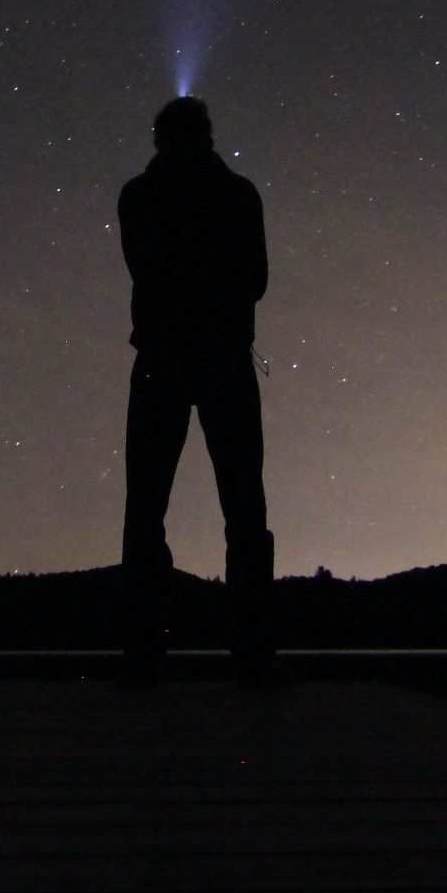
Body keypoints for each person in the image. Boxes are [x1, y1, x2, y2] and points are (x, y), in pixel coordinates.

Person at [116, 95, 279, 684]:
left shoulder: (139, 196)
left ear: (160, 137)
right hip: (221, 361)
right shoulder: (238, 195)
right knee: (242, 505)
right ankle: (253, 653)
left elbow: (148, 269)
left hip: (163, 360)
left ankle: (143, 654)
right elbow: (254, 280)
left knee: (147, 508)